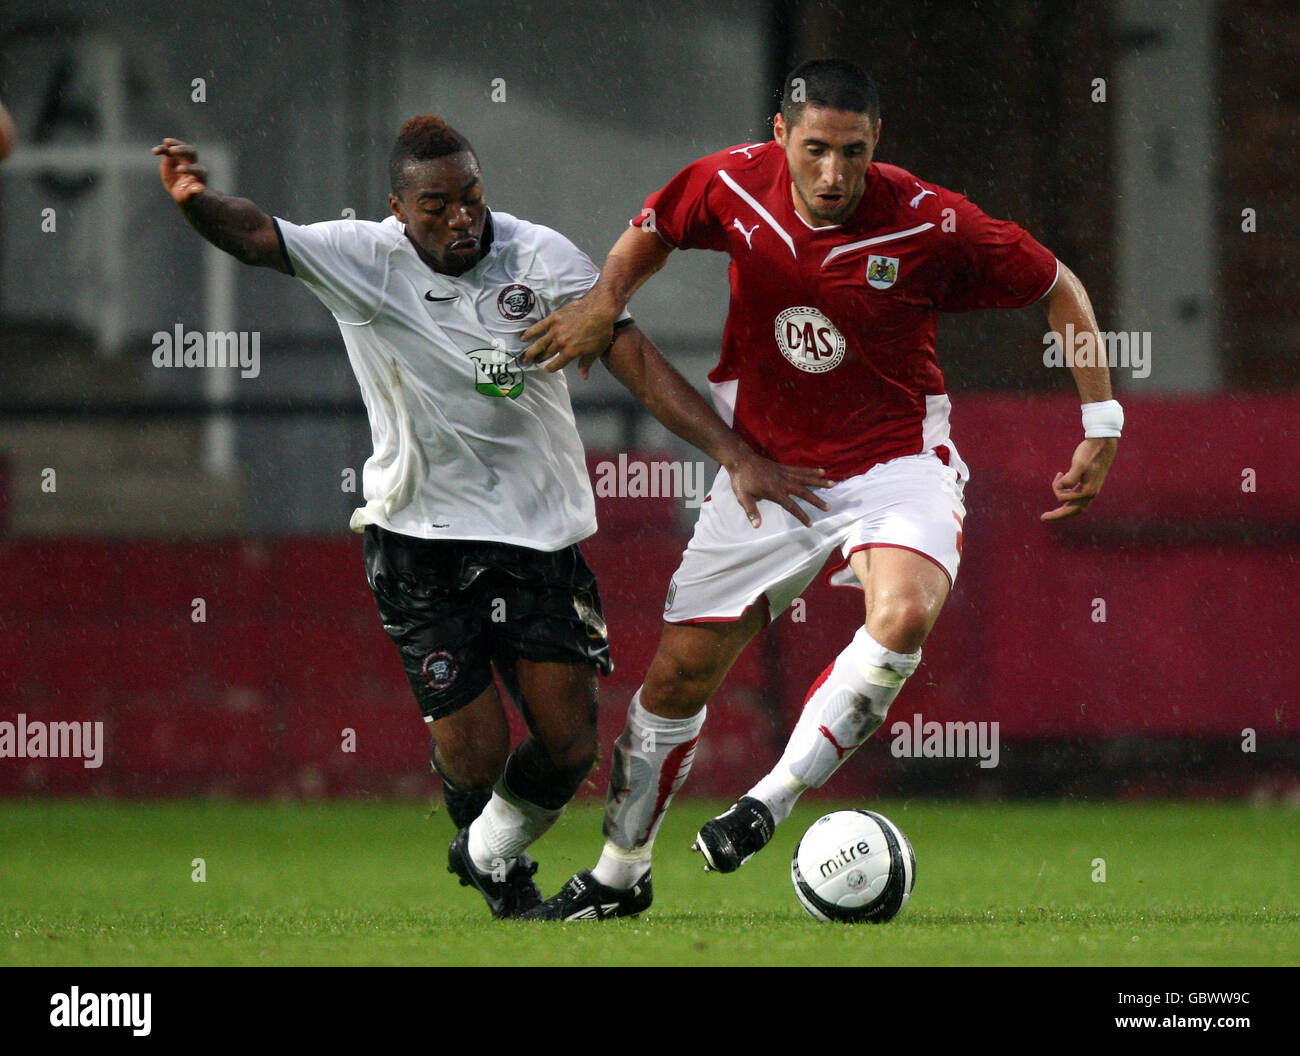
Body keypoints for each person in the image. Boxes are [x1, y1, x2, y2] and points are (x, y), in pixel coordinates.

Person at [153, 116, 826, 919]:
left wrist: (731, 452)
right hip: (418, 543)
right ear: (398, 209)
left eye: (471, 197)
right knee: (472, 754)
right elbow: (258, 233)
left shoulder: (542, 259)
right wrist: (196, 204)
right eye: (435, 206)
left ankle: (479, 853)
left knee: (571, 746)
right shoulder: (364, 258)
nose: (460, 218)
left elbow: (634, 359)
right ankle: (504, 877)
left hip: (536, 541)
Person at [519, 59, 1121, 920]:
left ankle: (768, 801)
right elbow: (652, 229)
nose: (833, 174)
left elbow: (1058, 285)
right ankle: (620, 875)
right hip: (768, 470)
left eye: (852, 152)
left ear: (876, 144)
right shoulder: (728, 182)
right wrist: (604, 298)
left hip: (895, 465)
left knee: (905, 613)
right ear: (780, 138)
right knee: (676, 681)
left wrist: (1102, 424)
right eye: (814, 151)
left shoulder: (931, 220)